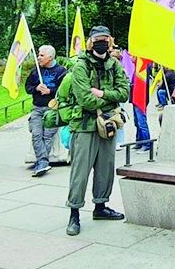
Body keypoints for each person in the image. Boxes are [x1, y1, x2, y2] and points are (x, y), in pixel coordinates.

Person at [65, 26, 130, 236]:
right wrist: (108, 102)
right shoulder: (81, 66)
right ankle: (74, 213)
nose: (101, 42)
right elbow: (84, 98)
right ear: (90, 42)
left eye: (105, 39)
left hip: (108, 126)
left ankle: (100, 207)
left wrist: (102, 92)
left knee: (106, 168)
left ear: (110, 41)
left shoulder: (115, 65)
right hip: (85, 126)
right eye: (97, 39)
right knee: (80, 171)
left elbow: (125, 92)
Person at [25, 45, 67, 177]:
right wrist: (36, 88)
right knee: (36, 134)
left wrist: (50, 91)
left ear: (50, 57)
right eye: (38, 54)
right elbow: (27, 87)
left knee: (48, 135)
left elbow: (65, 91)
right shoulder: (35, 72)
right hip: (37, 108)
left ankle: (41, 162)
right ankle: (43, 162)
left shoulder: (61, 71)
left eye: (41, 55)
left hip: (53, 108)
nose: (38, 57)